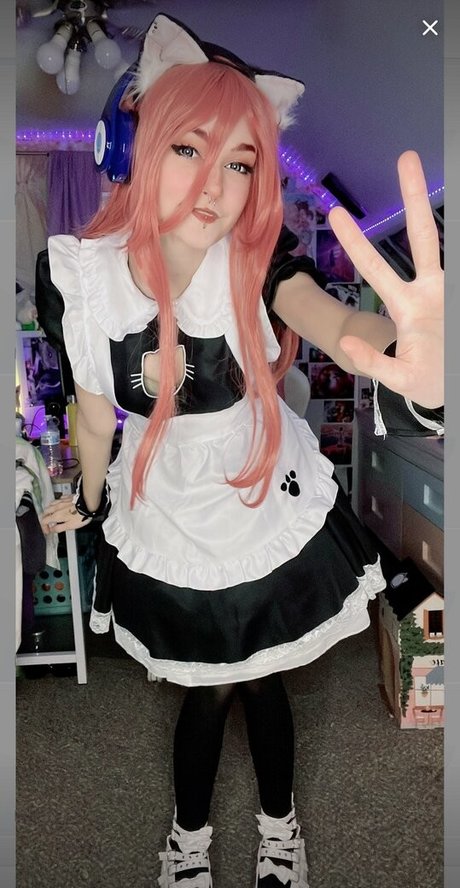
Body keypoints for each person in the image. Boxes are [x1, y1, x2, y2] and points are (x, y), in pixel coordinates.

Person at [39, 13, 444, 888]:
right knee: (209, 683)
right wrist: (92, 496)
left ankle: (277, 830)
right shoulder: (77, 278)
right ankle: (189, 842)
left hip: (256, 492)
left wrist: (412, 361)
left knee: (260, 678)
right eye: (191, 148)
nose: (216, 187)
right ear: (141, 142)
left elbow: (327, 319)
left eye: (241, 163)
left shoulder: (255, 261)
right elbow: (96, 415)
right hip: (165, 503)